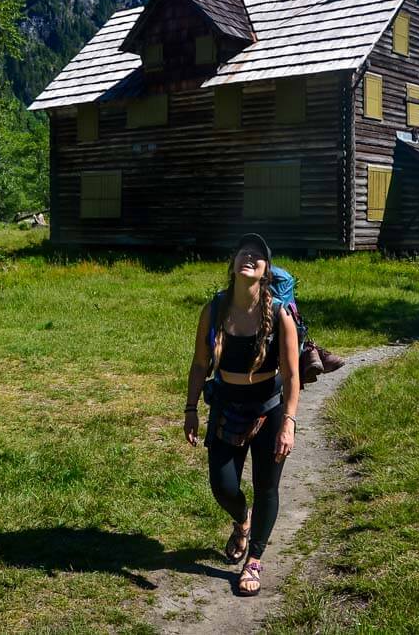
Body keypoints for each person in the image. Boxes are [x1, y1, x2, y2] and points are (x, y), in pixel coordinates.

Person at [184, 233, 300, 596]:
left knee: (267, 486)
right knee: (223, 486)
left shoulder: (279, 314)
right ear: (233, 264)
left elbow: (293, 375)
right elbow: (200, 363)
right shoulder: (214, 309)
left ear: (265, 272)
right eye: (242, 253)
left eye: (257, 256)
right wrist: (190, 409)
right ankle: (241, 520)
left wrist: (289, 423)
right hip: (226, 404)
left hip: (268, 408)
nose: (248, 258)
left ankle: (254, 560)